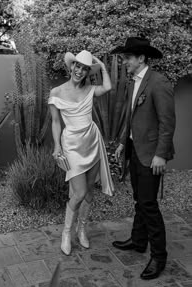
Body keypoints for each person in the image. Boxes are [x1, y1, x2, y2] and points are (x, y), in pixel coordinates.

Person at [111, 37, 175, 280]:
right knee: (140, 199)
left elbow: (168, 123)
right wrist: (121, 143)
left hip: (151, 155)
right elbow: (130, 119)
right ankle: (139, 241)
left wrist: (160, 154)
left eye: (127, 57)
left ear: (141, 58)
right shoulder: (132, 83)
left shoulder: (158, 83)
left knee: (149, 205)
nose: (124, 61)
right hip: (135, 151)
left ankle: (159, 257)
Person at [48, 50, 115, 256]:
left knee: (89, 191)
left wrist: (101, 66)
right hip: (72, 146)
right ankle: (66, 233)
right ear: (71, 66)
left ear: (87, 72)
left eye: (85, 68)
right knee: (79, 192)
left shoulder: (90, 89)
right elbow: (56, 122)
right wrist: (57, 147)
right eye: (77, 66)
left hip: (92, 142)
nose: (80, 71)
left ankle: (82, 229)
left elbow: (108, 86)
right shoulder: (57, 92)